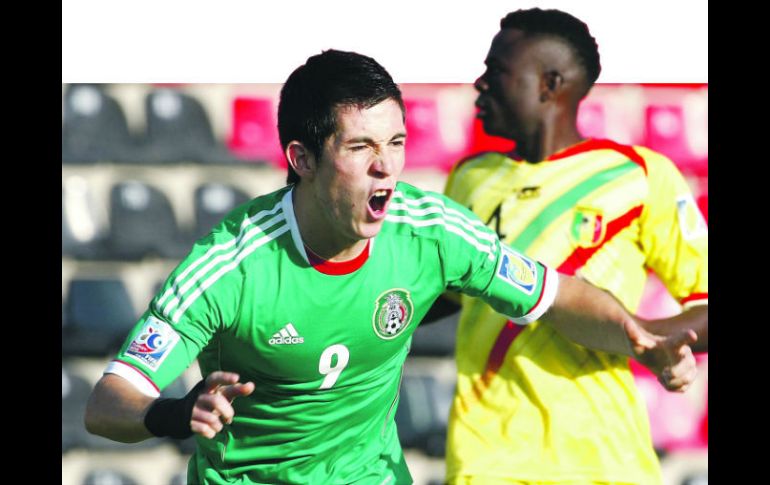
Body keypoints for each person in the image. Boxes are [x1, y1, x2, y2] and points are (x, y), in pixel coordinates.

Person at [84, 49, 697, 485]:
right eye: (360, 147)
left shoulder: (431, 231)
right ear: (301, 158)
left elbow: (557, 295)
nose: (387, 167)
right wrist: (172, 412)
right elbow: (108, 402)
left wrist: (640, 338)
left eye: (397, 142)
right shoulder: (228, 266)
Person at [432, 8, 708, 485]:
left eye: (496, 70)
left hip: (603, 458)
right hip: (486, 459)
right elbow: (440, 295)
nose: (479, 84)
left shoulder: (638, 176)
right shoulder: (467, 179)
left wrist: (651, 339)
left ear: (549, 83)